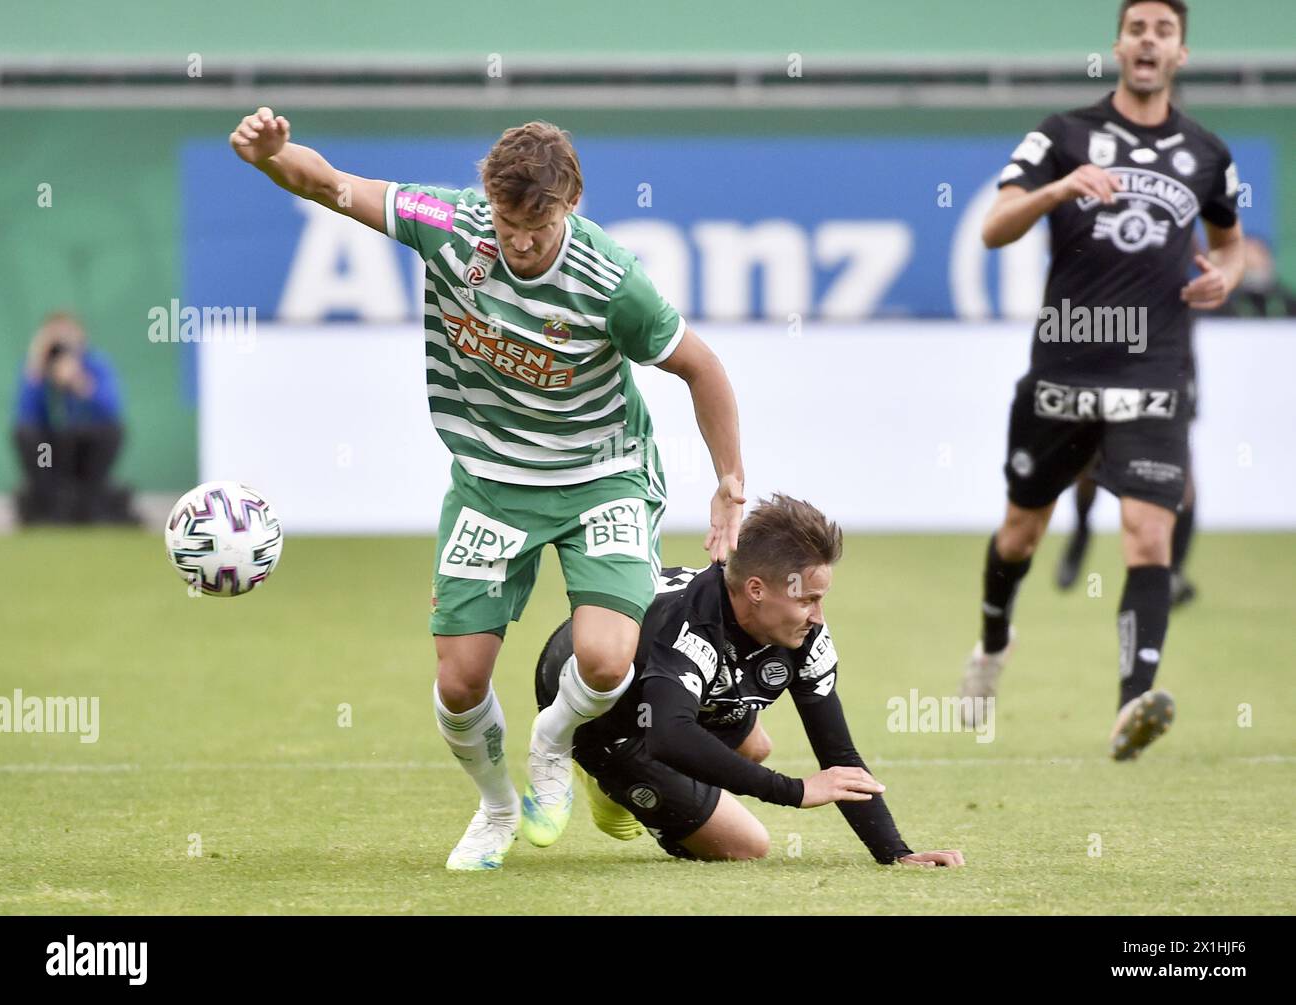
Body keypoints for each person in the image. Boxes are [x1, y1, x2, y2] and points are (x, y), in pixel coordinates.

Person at [229, 109, 746, 870]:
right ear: (489, 203)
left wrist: (730, 482)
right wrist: (272, 157)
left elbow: (702, 367)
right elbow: (331, 185)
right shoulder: (449, 225)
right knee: (460, 679)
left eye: (537, 226)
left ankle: (551, 743)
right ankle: (497, 806)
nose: (520, 242)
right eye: (508, 224)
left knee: (607, 659)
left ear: (569, 201)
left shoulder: (613, 282)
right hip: (492, 482)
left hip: (602, 476)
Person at [959, 0, 1244, 760]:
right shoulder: (1063, 133)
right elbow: (994, 226)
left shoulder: (1209, 153)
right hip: (1064, 365)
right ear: (1119, 45)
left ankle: (1132, 703)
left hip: (1155, 368)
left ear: (1181, 52)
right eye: (1138, 28)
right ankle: (991, 644)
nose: (1149, 41)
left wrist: (1228, 276)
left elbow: (1231, 242)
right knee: (1021, 531)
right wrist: (1058, 190)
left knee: (1149, 532)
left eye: (1165, 31)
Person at [535, 495, 964, 867]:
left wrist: (895, 852)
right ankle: (608, 777)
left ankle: (639, 785)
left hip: (672, 700)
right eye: (808, 600)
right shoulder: (692, 629)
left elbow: (837, 751)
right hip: (596, 708)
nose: (818, 617)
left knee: (756, 746)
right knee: (746, 845)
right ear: (756, 590)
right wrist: (793, 791)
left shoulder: (802, 631)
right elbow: (668, 735)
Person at [12, 311, 134, 525]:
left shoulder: (96, 364)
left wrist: (78, 381)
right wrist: (37, 371)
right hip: (49, 450)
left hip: (85, 445)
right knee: (30, 437)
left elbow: (111, 409)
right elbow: (25, 416)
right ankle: (47, 505)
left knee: (111, 432)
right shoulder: (37, 369)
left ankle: (90, 504)